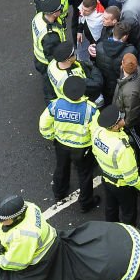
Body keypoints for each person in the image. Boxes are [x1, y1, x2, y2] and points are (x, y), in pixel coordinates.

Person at [39, 74, 99, 210]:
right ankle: (86, 203)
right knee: (84, 175)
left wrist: (51, 136)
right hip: (82, 148)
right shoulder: (90, 110)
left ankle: (59, 192)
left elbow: (43, 124)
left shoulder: (56, 105)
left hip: (61, 145)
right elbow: (97, 134)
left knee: (61, 168)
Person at [91, 104, 140, 225]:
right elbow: (131, 178)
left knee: (110, 208)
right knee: (128, 213)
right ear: (115, 127)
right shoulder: (122, 148)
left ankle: (112, 229)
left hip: (106, 179)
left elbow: (95, 152)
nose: (123, 118)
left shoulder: (98, 132)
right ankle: (128, 233)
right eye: (120, 118)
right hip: (123, 186)